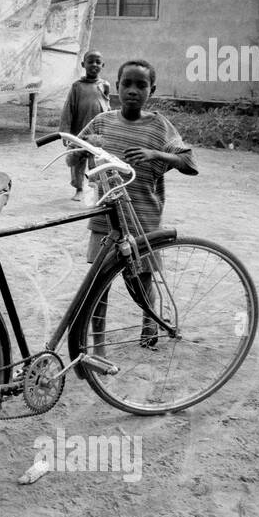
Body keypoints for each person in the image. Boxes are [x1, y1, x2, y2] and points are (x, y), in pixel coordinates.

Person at [74, 60, 197, 351]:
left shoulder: (159, 126)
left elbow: (189, 162)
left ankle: (150, 323)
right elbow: (73, 152)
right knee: (98, 288)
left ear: (151, 90)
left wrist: (157, 154)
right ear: (116, 87)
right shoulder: (103, 122)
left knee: (139, 281)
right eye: (126, 84)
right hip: (104, 218)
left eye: (141, 85)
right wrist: (86, 144)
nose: (132, 91)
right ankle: (99, 346)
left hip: (142, 218)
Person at [59, 50, 112, 200]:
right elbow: (68, 108)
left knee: (97, 161)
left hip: (98, 132)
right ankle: (79, 189)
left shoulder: (105, 85)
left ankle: (95, 189)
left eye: (97, 62)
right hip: (79, 131)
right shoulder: (77, 86)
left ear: (103, 65)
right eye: (90, 62)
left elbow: (107, 106)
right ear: (83, 64)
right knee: (77, 160)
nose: (94, 65)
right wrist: (65, 131)